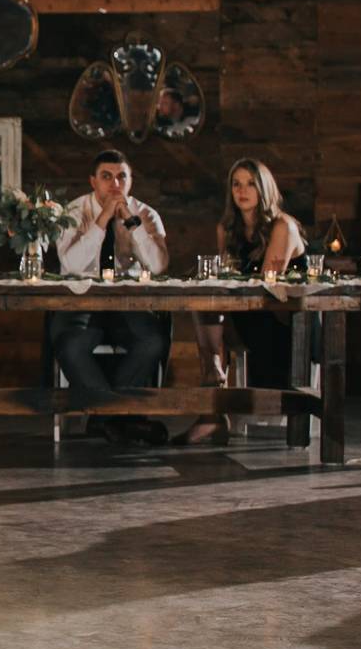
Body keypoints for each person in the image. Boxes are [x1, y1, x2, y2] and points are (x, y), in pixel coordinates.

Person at [182, 158, 306, 444]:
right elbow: (227, 279)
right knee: (205, 306)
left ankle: (213, 410)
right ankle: (213, 404)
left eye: (251, 183)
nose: (242, 190)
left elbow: (266, 284)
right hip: (246, 317)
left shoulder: (282, 226)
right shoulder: (226, 229)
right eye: (236, 184)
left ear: (265, 189)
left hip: (285, 322)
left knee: (212, 317)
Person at [50, 150, 172, 440]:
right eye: (107, 177)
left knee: (154, 341)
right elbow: (72, 266)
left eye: (122, 177)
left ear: (130, 181)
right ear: (93, 181)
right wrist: (102, 220)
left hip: (127, 303)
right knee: (69, 345)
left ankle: (105, 418)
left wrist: (131, 222)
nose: (114, 184)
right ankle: (120, 419)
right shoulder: (73, 212)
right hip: (81, 300)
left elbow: (158, 266)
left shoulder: (144, 213)